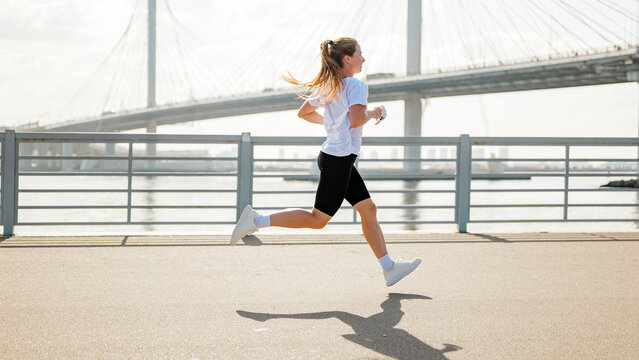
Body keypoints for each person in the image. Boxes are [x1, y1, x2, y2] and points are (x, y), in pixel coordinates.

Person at [231, 37, 421, 287]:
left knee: (368, 209)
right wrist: (375, 112)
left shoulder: (332, 86)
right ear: (347, 59)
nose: (363, 59)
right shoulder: (356, 85)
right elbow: (355, 120)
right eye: (360, 54)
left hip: (337, 157)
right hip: (339, 160)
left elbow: (305, 113)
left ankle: (389, 269)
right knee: (317, 219)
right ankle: (255, 221)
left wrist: (333, 122)